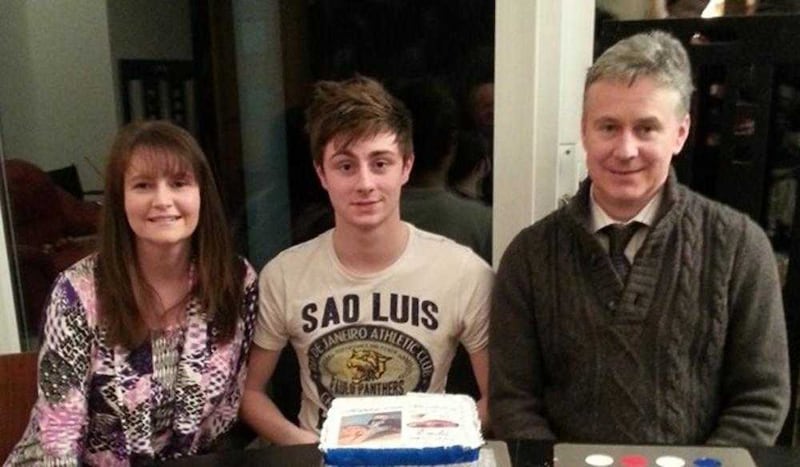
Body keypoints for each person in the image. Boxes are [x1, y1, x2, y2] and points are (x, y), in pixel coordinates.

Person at [490, 30, 791, 445]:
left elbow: (761, 400)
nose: (625, 149)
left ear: (681, 133)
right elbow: (513, 402)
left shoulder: (741, 248)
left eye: (646, 128)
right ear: (584, 131)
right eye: (608, 127)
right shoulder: (529, 257)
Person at [240, 76, 493, 445]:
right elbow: (250, 394)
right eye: (345, 166)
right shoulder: (285, 275)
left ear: (406, 167)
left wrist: (440, 443)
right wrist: (313, 450)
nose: (365, 183)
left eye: (380, 163)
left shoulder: (464, 273)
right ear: (321, 173)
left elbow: (498, 398)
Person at [6, 120, 258, 465]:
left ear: (202, 193)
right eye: (143, 185)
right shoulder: (77, 292)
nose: (163, 201)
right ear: (120, 200)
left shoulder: (236, 281)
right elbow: (58, 437)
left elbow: (225, 412)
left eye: (179, 183)